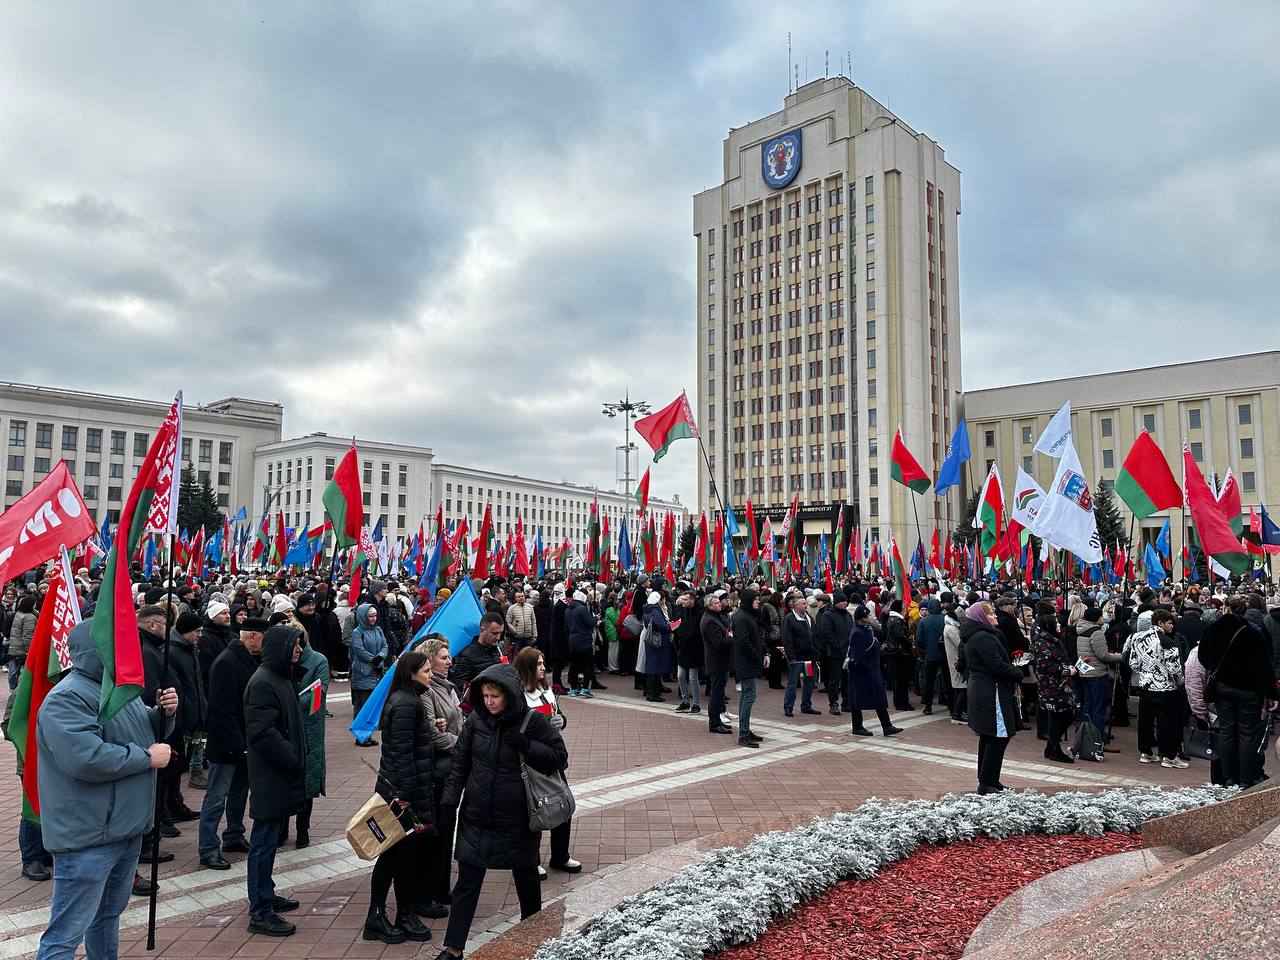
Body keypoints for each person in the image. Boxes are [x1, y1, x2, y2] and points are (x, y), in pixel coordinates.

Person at [33, 621, 177, 960]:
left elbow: (142, 730)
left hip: (122, 829)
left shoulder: (115, 690)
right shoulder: (67, 697)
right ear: (95, 651)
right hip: (89, 836)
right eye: (117, 646)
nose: (128, 652)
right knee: (66, 933)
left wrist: (163, 715)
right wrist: (146, 757)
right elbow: (86, 758)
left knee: (106, 917)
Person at [437, 665, 568, 959]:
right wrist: (449, 804)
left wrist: (527, 745)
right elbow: (460, 765)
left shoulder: (532, 721)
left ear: (509, 694)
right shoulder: (475, 722)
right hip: (477, 816)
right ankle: (453, 948)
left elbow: (559, 758)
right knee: (467, 883)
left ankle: (533, 937)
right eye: (484, 696)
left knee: (526, 879)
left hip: (518, 819)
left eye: (494, 696)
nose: (489, 702)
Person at [363, 652, 437, 945]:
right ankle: (397, 914)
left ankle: (382, 915)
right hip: (403, 793)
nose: (431, 675)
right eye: (427, 670)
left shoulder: (406, 698)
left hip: (401, 788)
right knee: (399, 855)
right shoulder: (406, 703)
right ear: (412, 673)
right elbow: (402, 753)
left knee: (393, 854)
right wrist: (404, 794)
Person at [244, 625, 307, 937]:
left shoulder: (279, 677)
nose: (299, 650)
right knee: (263, 844)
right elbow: (262, 732)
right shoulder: (264, 682)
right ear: (281, 648)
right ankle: (259, 911)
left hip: (279, 773)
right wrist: (292, 757)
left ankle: (265, 895)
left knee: (268, 842)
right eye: (295, 646)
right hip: (271, 774)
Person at [199, 616, 267, 870]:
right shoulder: (227, 662)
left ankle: (234, 835)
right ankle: (208, 847)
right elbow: (222, 710)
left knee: (239, 793)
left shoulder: (246, 659)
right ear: (251, 637)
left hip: (241, 741)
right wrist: (238, 745)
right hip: (227, 744)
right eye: (263, 638)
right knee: (217, 797)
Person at [514, 646, 580, 875]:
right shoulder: (520, 695)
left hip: (552, 755)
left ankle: (560, 855)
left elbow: (559, 715)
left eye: (543, 663)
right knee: (535, 807)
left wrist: (561, 721)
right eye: (539, 664)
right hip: (533, 758)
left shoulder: (547, 690)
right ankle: (533, 860)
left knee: (563, 802)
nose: (544, 668)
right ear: (528, 668)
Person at [1198, 596, 1277, 787]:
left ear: (1226, 608)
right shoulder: (1253, 633)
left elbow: (1203, 658)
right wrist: (1272, 694)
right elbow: (1264, 666)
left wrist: (1218, 668)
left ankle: (1228, 776)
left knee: (1226, 731)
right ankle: (1245, 778)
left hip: (1223, 688)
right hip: (1250, 690)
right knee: (1247, 733)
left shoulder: (1212, 630)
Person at [415, 637, 463, 912]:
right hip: (438, 770)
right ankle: (430, 892)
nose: (449, 661)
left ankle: (441, 889)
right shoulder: (425, 692)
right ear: (429, 660)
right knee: (437, 833)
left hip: (451, 769)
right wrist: (462, 744)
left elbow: (458, 722)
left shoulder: (449, 687)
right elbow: (435, 736)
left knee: (447, 831)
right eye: (444, 657)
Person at [959, 601, 1023, 794]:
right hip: (991, 691)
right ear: (982, 617)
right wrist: (1016, 672)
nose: (995, 616)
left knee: (991, 735)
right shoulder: (983, 637)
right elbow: (995, 664)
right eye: (991, 614)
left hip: (986, 688)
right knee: (998, 736)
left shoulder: (979, 635)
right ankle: (987, 782)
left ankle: (990, 779)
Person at [1127, 609, 1188, 768]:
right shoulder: (1168, 641)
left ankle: (1146, 753)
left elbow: (1133, 663)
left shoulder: (1137, 637)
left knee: (1145, 720)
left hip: (1145, 685)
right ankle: (1168, 756)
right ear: (1160, 622)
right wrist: (1180, 682)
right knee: (1166, 722)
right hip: (1166, 688)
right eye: (1169, 622)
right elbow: (1175, 669)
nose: (1172, 626)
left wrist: (1146, 673)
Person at [294, 623, 329, 848]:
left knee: (308, 780)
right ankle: (280, 828)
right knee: (287, 780)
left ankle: (302, 829)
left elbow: (319, 695)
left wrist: (289, 702)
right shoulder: (280, 660)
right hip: (286, 726)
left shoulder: (318, 660)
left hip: (310, 726)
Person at [847, 604, 902, 736]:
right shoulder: (858, 632)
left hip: (872, 669)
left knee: (878, 698)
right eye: (868, 616)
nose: (870, 617)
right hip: (865, 671)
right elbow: (858, 655)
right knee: (858, 699)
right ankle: (858, 726)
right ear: (863, 618)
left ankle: (886, 725)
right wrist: (867, 667)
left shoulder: (866, 629)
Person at [1032, 603, 1076, 763]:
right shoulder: (1044, 643)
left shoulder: (1053, 640)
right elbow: (1046, 666)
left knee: (1062, 715)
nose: (1059, 624)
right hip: (1051, 686)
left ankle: (1052, 746)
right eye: (1056, 622)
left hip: (1059, 685)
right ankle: (1054, 748)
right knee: (1060, 716)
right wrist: (1066, 670)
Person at [1075, 606, 1122, 744]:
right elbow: (1103, 655)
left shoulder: (1081, 630)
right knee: (1098, 708)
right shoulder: (1096, 632)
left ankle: (1085, 735)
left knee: (1087, 706)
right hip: (1096, 672)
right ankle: (1098, 738)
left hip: (1085, 672)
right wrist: (1120, 656)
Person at [730, 588, 767, 748]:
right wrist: (757, 656)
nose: (758, 601)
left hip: (750, 662)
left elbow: (758, 637)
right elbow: (744, 642)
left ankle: (746, 730)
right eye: (756, 599)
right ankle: (744, 734)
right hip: (746, 663)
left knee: (747, 697)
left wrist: (764, 653)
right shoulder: (741, 618)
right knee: (748, 697)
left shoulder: (750, 615)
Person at [350, 604, 388, 747]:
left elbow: (385, 645)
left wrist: (380, 656)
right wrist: (374, 659)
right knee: (362, 706)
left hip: (376, 672)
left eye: (375, 616)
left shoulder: (378, 630)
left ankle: (368, 734)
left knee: (372, 706)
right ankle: (360, 735)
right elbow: (359, 650)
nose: (373, 619)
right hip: (363, 673)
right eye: (370, 616)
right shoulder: (357, 632)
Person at [781, 593, 820, 717]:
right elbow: (787, 639)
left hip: (809, 658)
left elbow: (814, 635)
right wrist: (791, 657)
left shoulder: (808, 617)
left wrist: (816, 653)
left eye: (805, 603)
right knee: (792, 683)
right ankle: (788, 707)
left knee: (809, 682)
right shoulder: (789, 618)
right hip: (797, 659)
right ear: (796, 605)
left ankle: (806, 705)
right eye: (803, 603)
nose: (805, 605)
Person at [449, 612, 505, 697]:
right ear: (482, 631)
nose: (498, 637)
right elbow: (459, 687)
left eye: (500, 633)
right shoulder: (466, 655)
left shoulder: (500, 651)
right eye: (494, 633)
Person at [700, 591, 733, 734]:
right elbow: (718, 643)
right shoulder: (710, 620)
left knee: (719, 693)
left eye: (719, 602)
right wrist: (731, 638)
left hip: (720, 661)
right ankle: (714, 722)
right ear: (709, 605)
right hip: (716, 661)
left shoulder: (715, 617)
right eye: (716, 603)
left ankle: (717, 720)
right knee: (716, 693)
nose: (720, 604)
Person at [817, 591, 853, 715]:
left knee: (846, 679)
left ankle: (846, 702)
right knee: (834, 679)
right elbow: (827, 633)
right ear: (836, 602)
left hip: (848, 653)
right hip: (835, 653)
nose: (845, 603)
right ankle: (833, 703)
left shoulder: (847, 615)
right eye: (843, 601)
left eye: (846, 601)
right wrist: (837, 646)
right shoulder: (828, 615)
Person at [641, 590, 675, 703]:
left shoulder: (647, 609)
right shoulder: (655, 611)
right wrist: (671, 626)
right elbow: (662, 627)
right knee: (655, 669)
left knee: (651, 668)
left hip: (651, 641)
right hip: (658, 642)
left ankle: (651, 692)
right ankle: (653, 694)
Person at [673, 589, 703, 713]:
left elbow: (698, 629)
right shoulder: (681, 610)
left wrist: (690, 634)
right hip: (683, 647)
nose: (683, 601)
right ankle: (685, 702)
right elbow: (675, 623)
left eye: (686, 599)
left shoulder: (700, 612)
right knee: (680, 675)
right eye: (682, 599)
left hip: (695, 648)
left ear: (692, 600)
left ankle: (696, 704)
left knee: (693, 677)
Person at [882, 600, 914, 711]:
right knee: (902, 679)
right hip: (900, 652)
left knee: (899, 679)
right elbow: (900, 636)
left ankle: (899, 701)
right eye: (904, 606)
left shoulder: (891, 619)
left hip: (895, 652)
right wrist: (910, 643)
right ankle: (902, 703)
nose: (905, 608)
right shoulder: (897, 621)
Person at [564, 591, 597, 697]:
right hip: (584, 639)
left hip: (572, 639)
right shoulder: (582, 609)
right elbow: (590, 623)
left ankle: (573, 688)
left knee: (574, 665)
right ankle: (584, 688)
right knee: (588, 664)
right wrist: (596, 618)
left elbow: (566, 627)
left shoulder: (567, 610)